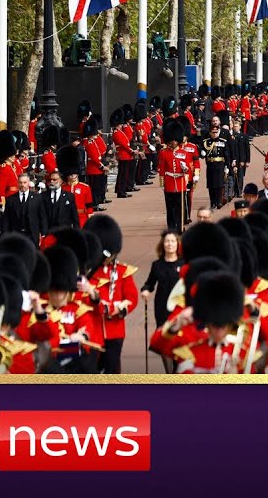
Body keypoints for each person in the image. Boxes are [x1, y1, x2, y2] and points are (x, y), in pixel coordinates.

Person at [83, 214, 138, 373]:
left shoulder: (122, 271)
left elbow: (131, 297)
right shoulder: (88, 274)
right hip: (92, 330)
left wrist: (120, 308)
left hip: (114, 329)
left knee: (112, 370)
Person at [140, 231, 182, 373]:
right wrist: (145, 290)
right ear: (162, 245)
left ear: (178, 244)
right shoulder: (157, 265)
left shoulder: (184, 264)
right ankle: (170, 374)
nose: (170, 244)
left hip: (179, 308)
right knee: (165, 341)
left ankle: (178, 371)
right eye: (167, 241)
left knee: (179, 341)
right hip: (162, 308)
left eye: (173, 241)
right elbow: (149, 283)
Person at [159, 120, 189, 233]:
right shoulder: (163, 153)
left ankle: (180, 227)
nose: (172, 143)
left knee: (180, 207)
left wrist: (185, 169)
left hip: (180, 183)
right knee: (170, 208)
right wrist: (162, 183)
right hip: (169, 182)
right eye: (171, 141)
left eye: (174, 141)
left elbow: (187, 170)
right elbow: (162, 169)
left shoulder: (184, 153)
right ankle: (171, 227)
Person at [3, 172, 44, 244]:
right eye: (20, 182)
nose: (22, 185)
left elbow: (42, 216)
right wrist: (5, 234)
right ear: (17, 183)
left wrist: (43, 233)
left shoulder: (37, 198)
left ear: (28, 183)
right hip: (15, 235)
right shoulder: (11, 199)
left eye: (25, 182)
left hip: (32, 234)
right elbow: (6, 219)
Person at [39, 170, 80, 235]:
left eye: (54, 180)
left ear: (61, 181)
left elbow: (74, 217)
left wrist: (77, 233)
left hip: (65, 232)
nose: (51, 182)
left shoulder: (69, 196)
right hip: (48, 232)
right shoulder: (43, 196)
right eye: (50, 180)